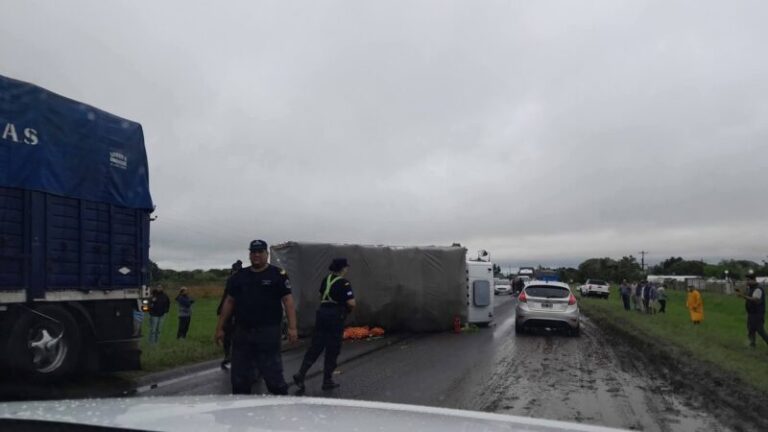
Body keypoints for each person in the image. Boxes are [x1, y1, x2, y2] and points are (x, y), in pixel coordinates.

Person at [215, 240, 298, 395]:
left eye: (260, 252)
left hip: (268, 331)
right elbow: (229, 302)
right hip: (242, 332)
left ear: (266, 254)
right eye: (253, 252)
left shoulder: (278, 275)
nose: (256, 255)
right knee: (239, 377)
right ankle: (240, 409)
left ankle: (281, 402)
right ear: (249, 255)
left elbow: (288, 301)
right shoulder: (239, 276)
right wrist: (220, 328)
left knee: (273, 375)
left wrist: (292, 328)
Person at [293, 258, 356, 393]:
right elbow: (351, 303)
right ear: (343, 268)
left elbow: (321, 296)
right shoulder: (344, 283)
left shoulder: (325, 280)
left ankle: (301, 373)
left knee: (316, 346)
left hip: (322, 314)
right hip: (335, 317)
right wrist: (348, 310)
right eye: (346, 267)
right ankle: (327, 380)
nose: (347, 269)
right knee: (332, 349)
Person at [218, 260, 243, 369]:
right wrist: (220, 308)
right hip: (230, 312)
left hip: (240, 312)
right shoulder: (231, 281)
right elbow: (226, 295)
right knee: (228, 335)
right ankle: (228, 355)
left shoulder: (245, 280)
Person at [735, 274, 767, 349]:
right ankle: (752, 344)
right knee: (751, 329)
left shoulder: (758, 289)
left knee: (760, 331)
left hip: (757, 313)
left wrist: (743, 296)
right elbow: (747, 296)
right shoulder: (751, 288)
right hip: (752, 313)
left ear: (754, 280)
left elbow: (755, 299)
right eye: (747, 280)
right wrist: (741, 291)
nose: (747, 281)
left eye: (748, 280)